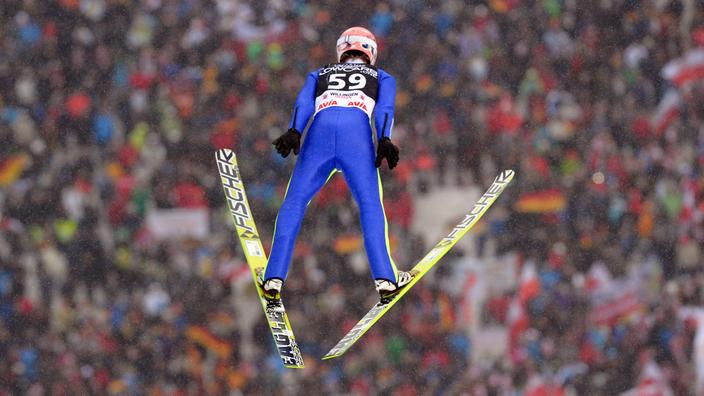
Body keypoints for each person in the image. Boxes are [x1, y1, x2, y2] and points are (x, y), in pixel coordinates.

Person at [260, 27, 412, 300]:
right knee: (369, 204)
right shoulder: (382, 76)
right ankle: (385, 278)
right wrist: (385, 139)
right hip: (356, 135)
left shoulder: (320, 73)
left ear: (342, 49)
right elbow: (384, 109)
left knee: (294, 202)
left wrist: (294, 130)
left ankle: (273, 276)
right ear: (371, 52)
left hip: (319, 132)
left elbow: (303, 103)